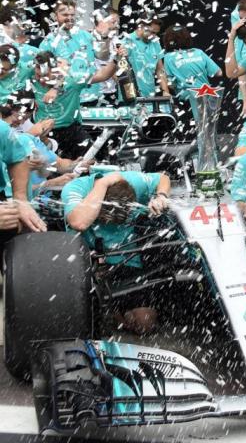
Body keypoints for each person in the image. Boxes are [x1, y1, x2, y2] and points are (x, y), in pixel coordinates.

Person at [62, 170, 171, 333]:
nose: (113, 223)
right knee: (88, 326)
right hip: (85, 264)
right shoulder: (76, 188)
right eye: (107, 220)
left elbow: (163, 177)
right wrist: (102, 184)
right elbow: (79, 222)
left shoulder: (134, 181)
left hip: (126, 260)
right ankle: (111, 313)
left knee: (145, 325)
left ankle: (116, 313)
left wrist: (161, 196)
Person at [33, 51, 116, 159]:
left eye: (45, 76)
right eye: (38, 75)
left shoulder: (73, 80)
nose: (41, 80)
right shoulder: (30, 76)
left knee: (90, 159)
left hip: (70, 129)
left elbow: (103, 75)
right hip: (43, 131)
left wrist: (116, 59)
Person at [157, 26, 222, 134]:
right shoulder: (198, 52)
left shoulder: (168, 57)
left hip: (188, 101)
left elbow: (171, 84)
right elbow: (219, 72)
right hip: (207, 97)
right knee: (209, 131)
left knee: (192, 133)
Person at [121, 17, 163, 96]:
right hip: (131, 95)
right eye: (152, 32)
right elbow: (121, 71)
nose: (154, 36)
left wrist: (165, 90)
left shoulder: (155, 42)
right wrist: (130, 94)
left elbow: (160, 70)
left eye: (156, 33)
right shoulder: (127, 40)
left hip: (150, 94)